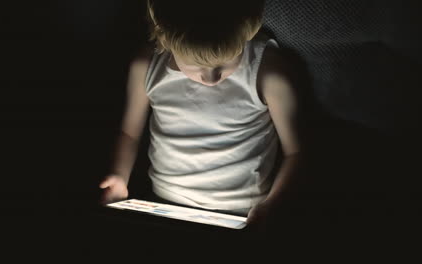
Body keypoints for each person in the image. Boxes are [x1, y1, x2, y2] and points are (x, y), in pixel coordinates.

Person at [99, 0, 303, 229]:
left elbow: (296, 152)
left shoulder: (268, 72)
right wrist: (119, 176)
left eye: (226, 62)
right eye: (196, 66)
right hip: (162, 206)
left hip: (242, 214)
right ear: (165, 38)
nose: (211, 79)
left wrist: (271, 205)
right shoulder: (146, 66)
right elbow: (129, 133)